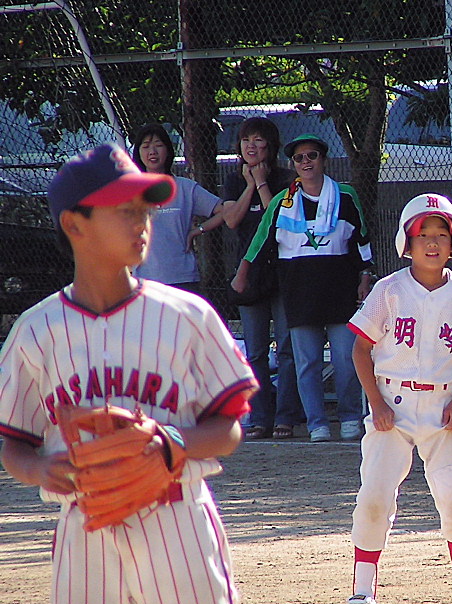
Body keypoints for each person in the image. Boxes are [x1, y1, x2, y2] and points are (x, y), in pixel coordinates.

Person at [0, 144, 263, 604]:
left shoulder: (186, 316)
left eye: (146, 207)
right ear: (74, 223)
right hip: (85, 523)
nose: (143, 220)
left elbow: (228, 425)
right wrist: (37, 468)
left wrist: (171, 442)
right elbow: (13, 438)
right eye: (125, 209)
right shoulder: (37, 330)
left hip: (176, 515)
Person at [341, 193, 452, 604]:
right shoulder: (389, 290)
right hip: (391, 405)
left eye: (441, 235)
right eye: (423, 235)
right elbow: (360, 349)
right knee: (374, 498)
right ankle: (362, 594)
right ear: (406, 243)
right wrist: (375, 403)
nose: (432, 243)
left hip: (442, 407)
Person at [232, 133, 373, 442]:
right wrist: (242, 273)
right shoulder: (282, 202)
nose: (306, 162)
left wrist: (365, 277)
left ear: (323, 160)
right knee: (307, 363)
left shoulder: (346, 196)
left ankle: (350, 416)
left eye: (312, 156)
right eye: (299, 158)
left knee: (345, 359)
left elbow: (362, 240)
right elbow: (260, 241)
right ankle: (316, 423)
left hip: (340, 292)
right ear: (293, 164)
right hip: (299, 293)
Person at [222, 116, 303, 440]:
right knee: (255, 351)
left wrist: (261, 183)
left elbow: (278, 218)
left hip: (282, 272)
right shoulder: (233, 181)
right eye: (246, 140)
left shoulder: (286, 179)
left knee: (286, 350)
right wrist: (248, 185)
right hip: (249, 273)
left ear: (270, 145)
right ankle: (259, 417)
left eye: (258, 140)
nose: (251, 146)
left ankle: (286, 417)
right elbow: (231, 220)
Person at [130, 123, 227, 293]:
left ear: (168, 150)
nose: (152, 151)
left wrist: (198, 230)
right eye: (145, 147)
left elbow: (225, 210)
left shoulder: (185, 188)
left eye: (158, 145)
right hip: (144, 281)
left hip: (183, 278)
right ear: (138, 152)